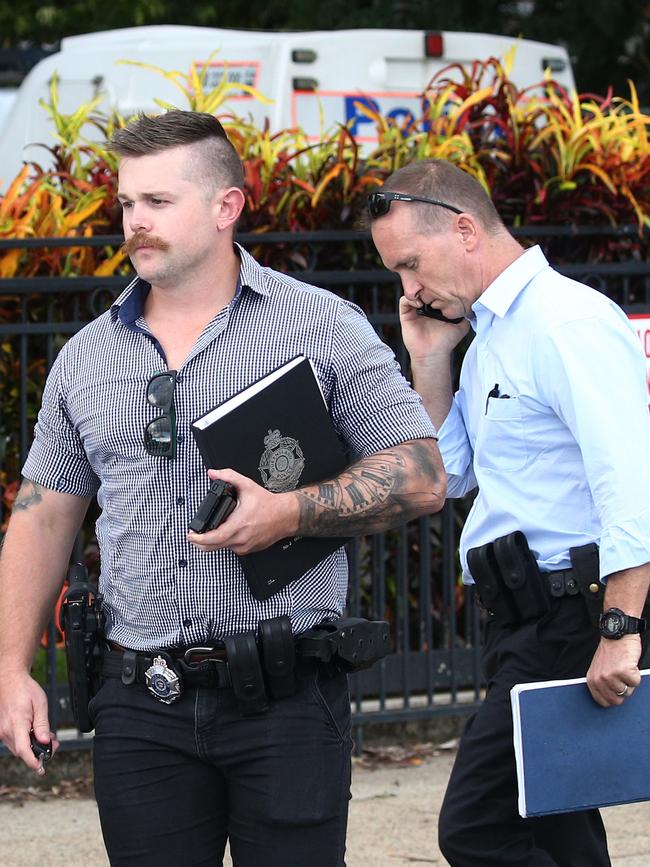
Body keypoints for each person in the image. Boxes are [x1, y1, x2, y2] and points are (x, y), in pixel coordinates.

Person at [0, 112, 447, 867]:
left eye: (158, 203)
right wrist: (12, 666)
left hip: (288, 700)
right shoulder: (86, 358)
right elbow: (43, 516)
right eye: (127, 203)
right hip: (141, 704)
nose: (135, 222)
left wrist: (290, 512)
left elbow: (423, 474)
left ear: (226, 207)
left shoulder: (323, 325)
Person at [367, 158, 650, 867]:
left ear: (465, 230)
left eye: (411, 264)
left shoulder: (565, 322)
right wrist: (429, 358)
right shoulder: (490, 332)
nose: (410, 289)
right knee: (556, 827)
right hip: (521, 617)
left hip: (569, 614)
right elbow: (450, 474)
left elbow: (631, 478)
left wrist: (620, 627)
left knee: (476, 827)